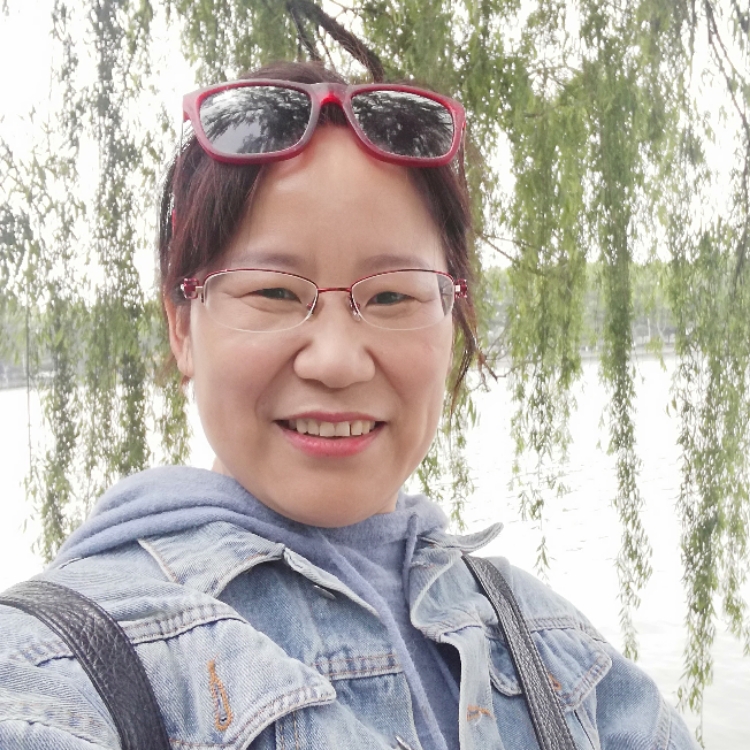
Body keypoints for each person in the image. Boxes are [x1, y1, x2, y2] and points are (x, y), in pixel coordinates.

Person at [0, 61, 697, 750]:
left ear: (453, 319)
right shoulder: (60, 662)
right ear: (182, 326)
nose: (335, 360)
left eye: (393, 295)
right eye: (273, 292)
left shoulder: (562, 658)